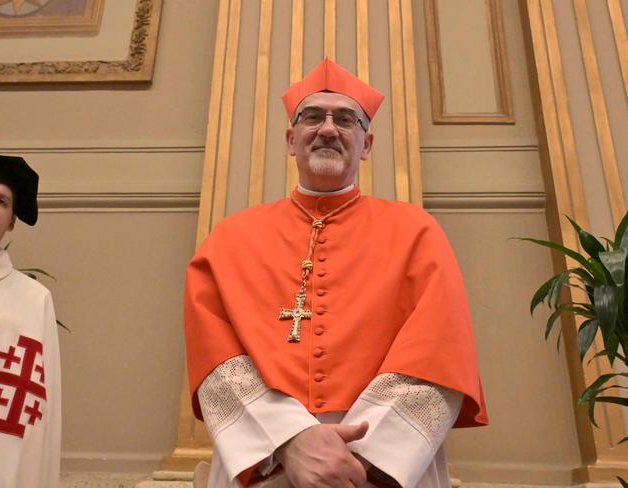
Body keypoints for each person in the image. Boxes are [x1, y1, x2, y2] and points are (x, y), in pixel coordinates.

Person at [184, 58, 487, 488]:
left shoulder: (417, 232)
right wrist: (290, 442)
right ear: (291, 140)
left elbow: (439, 353)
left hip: (381, 470)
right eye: (313, 117)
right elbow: (215, 361)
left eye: (346, 119)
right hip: (265, 462)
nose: (328, 129)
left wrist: (358, 462)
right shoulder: (229, 239)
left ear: (366, 144)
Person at [0, 155, 61, 487]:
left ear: (12, 221)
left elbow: (43, 407)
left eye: (0, 201)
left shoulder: (32, 299)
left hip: (0, 460)